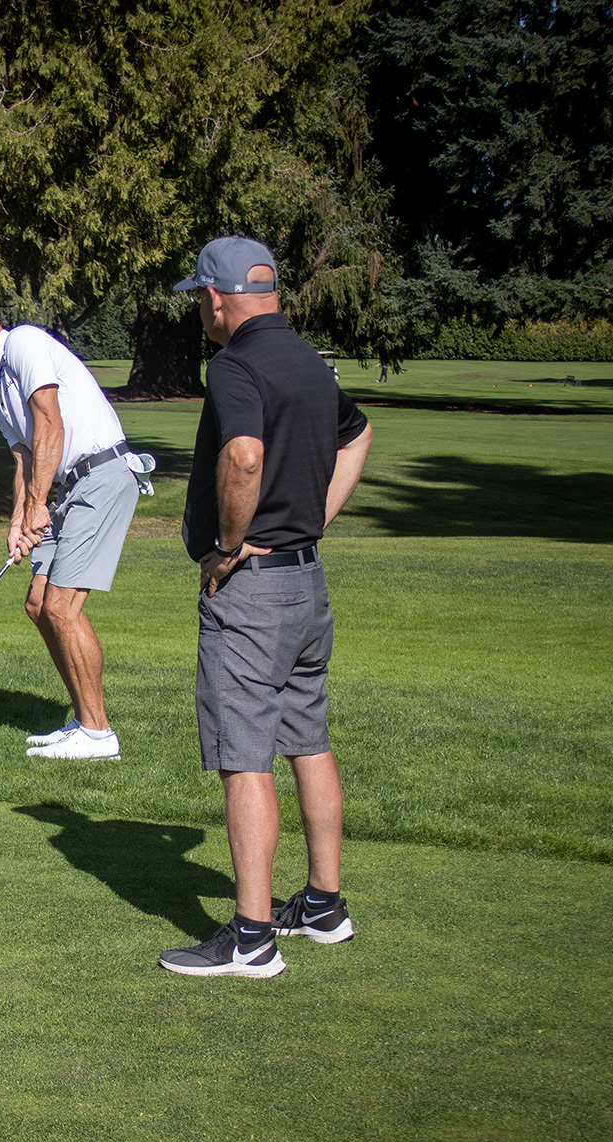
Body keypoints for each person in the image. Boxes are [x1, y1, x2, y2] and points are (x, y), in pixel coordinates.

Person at [157, 235, 373, 978]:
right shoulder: (308, 360)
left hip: (252, 592)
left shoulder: (235, 364)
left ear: (217, 298)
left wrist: (228, 545)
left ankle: (251, 938)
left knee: (244, 755)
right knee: (307, 738)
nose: (200, 310)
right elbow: (358, 435)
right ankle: (323, 905)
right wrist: (314, 520)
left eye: (200, 298)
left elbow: (243, 456)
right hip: (307, 583)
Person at [0, 302, 154, 760]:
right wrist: (19, 519)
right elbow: (25, 459)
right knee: (39, 604)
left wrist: (38, 506)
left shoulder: (24, 343)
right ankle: (83, 721)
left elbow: (51, 422)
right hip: (69, 488)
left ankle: (99, 735)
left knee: (61, 607)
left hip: (102, 473)